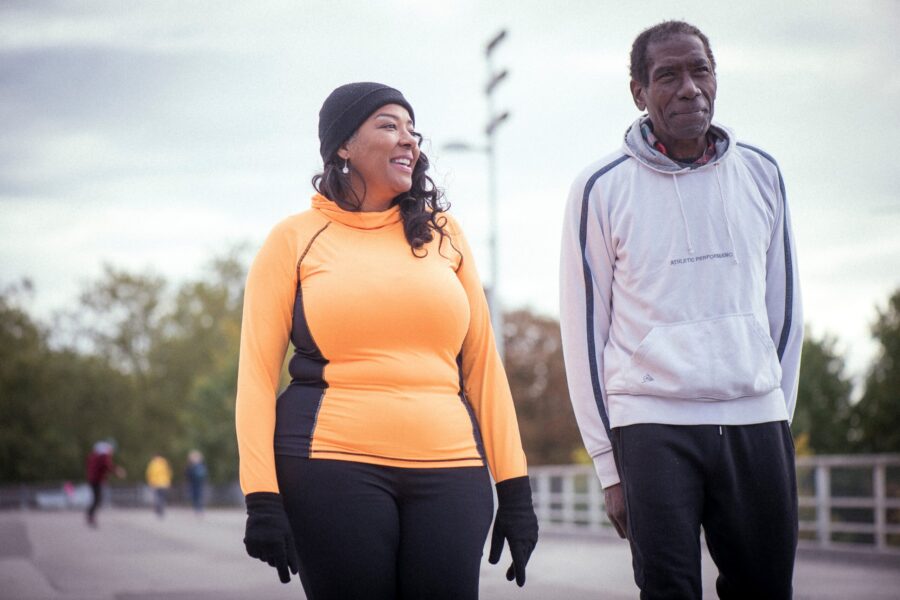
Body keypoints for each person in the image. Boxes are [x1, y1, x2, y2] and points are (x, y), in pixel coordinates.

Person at [235, 81, 538, 599]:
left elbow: (484, 366)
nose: (409, 140)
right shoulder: (294, 238)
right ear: (343, 148)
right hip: (330, 466)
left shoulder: (445, 234)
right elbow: (257, 378)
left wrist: (515, 490)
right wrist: (261, 497)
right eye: (389, 125)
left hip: (453, 469)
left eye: (413, 130)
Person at [559, 21, 803, 599]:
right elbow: (584, 331)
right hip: (652, 426)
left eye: (700, 70)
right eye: (668, 75)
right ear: (639, 91)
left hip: (756, 422)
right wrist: (608, 465)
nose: (689, 88)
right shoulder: (600, 187)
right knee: (668, 590)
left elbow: (785, 311)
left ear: (715, 78)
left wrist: (775, 413)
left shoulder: (762, 173)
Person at [85, 440, 125, 527]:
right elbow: (107, 465)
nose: (111, 452)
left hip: (92, 479)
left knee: (96, 499)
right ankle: (90, 516)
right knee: (97, 499)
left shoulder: (94, 455)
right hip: (97, 480)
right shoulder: (104, 456)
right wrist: (117, 471)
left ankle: (90, 515)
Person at [185, 449, 208, 514]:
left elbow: (187, 474)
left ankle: (198, 508)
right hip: (198, 483)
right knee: (198, 495)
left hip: (194, 483)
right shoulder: (201, 465)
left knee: (196, 495)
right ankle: (199, 508)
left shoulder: (191, 466)